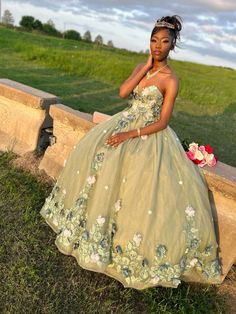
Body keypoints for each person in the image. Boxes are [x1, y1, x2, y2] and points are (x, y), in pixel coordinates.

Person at [40, 15, 222, 290]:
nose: (158, 46)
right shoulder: (143, 66)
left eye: (164, 41)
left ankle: (124, 245)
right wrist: (145, 67)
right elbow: (124, 92)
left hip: (148, 133)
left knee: (136, 179)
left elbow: (162, 122)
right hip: (125, 120)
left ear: (173, 45)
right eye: (154, 40)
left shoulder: (171, 79)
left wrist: (131, 134)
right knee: (98, 155)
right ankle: (91, 230)